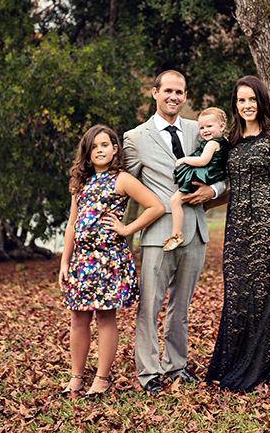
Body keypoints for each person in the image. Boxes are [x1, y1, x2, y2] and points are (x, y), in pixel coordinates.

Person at [123, 71, 224, 395]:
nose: (173, 97)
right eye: (168, 90)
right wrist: (119, 233)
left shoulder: (201, 129)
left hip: (195, 230)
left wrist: (213, 190)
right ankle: (149, 372)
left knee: (181, 307)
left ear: (185, 96)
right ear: (155, 93)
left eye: (179, 92)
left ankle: (176, 366)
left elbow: (224, 171)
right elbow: (125, 187)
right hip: (157, 233)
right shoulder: (135, 137)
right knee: (149, 306)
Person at [58, 125, 165, 396]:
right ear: (87, 153)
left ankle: (101, 378)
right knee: (78, 318)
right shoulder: (80, 182)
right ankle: (76, 377)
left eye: (105, 145)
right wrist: (64, 262)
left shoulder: (122, 179)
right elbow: (71, 224)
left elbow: (156, 206)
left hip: (108, 260)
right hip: (82, 261)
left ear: (115, 148)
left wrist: (127, 229)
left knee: (105, 318)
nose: (99, 151)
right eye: (94, 147)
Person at [205, 75, 270, 393]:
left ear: (261, 101)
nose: (247, 105)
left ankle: (260, 369)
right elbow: (228, 186)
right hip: (236, 228)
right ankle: (232, 364)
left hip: (266, 226)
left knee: (263, 297)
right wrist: (202, 201)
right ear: (235, 104)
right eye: (241, 100)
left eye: (252, 99)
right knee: (237, 296)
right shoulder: (231, 142)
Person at [164, 107, 229, 252]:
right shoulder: (223, 142)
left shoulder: (212, 143)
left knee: (175, 201)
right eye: (202, 127)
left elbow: (203, 160)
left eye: (209, 126)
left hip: (202, 175)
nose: (205, 130)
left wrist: (183, 160)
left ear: (222, 126)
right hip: (212, 175)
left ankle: (176, 234)